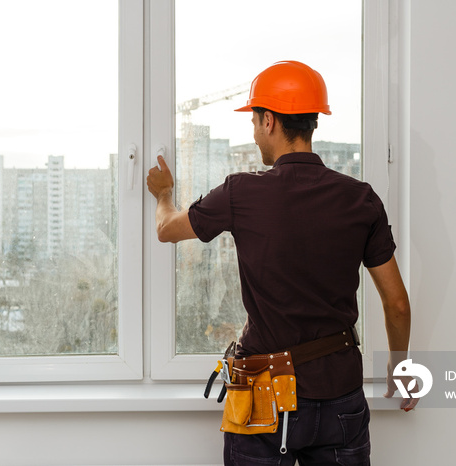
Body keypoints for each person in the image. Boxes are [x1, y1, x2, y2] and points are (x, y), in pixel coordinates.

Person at [146, 60, 414, 466]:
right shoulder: (361, 198)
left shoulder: (241, 192)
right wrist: (400, 366)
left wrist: (164, 194)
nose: (253, 134)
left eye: (254, 121)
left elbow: (167, 229)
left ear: (269, 120)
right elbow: (396, 303)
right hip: (340, 394)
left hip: (265, 396)